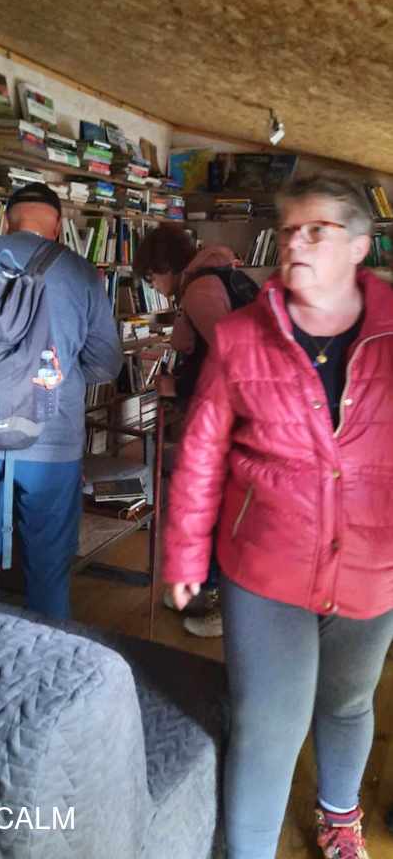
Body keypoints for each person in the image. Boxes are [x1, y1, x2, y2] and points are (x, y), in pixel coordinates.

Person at [163, 174, 393, 859]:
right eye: (289, 229)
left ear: (359, 246)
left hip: (372, 566)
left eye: (316, 230)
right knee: (267, 725)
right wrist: (184, 553)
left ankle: (340, 817)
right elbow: (202, 452)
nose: (295, 243)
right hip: (265, 566)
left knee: (348, 702)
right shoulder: (241, 336)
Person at [0, 182, 123, 619]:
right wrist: (60, 378)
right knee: (49, 569)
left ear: (6, 220)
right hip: (51, 440)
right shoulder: (80, 272)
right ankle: (45, 647)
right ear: (58, 226)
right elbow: (107, 364)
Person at [134, 223, 256, 637]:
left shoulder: (199, 291)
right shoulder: (215, 275)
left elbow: (231, 362)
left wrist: (177, 386)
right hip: (230, 414)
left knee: (216, 504)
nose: (153, 285)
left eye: (152, 276)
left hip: (229, 416)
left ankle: (221, 603)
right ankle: (202, 587)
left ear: (166, 266)